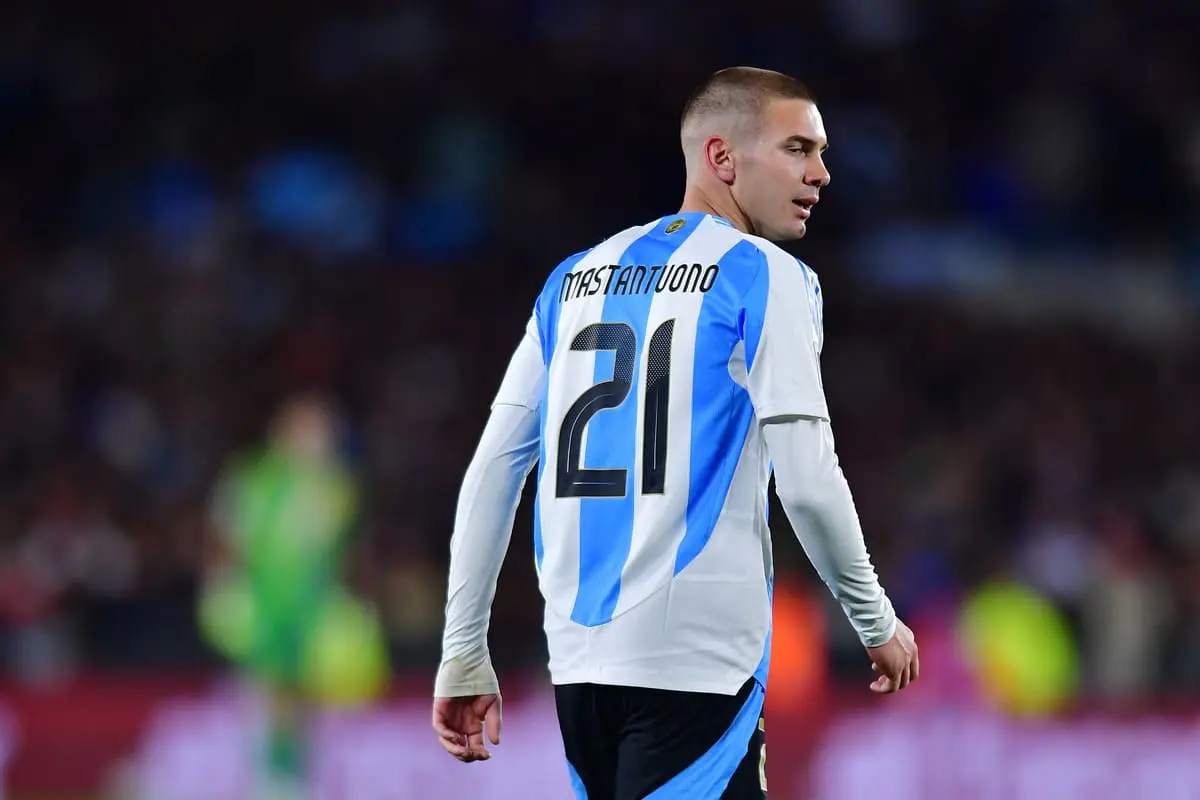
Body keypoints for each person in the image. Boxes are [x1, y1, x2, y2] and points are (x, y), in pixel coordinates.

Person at [432, 66, 918, 799]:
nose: (821, 172)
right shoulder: (764, 274)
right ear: (722, 159)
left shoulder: (574, 278)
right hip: (695, 664)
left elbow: (494, 471)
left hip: (580, 666)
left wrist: (463, 648)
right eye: (797, 148)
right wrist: (873, 616)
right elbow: (810, 479)